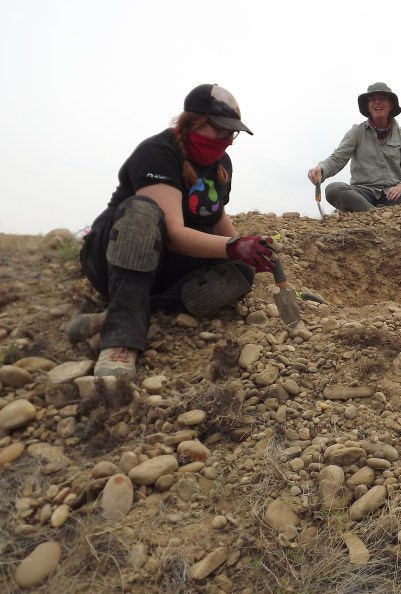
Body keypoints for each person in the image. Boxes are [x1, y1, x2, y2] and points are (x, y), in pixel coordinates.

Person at [72, 84, 277, 381]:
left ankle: (128, 310)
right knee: (142, 212)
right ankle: (120, 339)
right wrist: (234, 246)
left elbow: (215, 216)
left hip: (162, 271)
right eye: (220, 130)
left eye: (231, 134)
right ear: (192, 122)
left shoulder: (222, 164)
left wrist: (246, 250)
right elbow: (173, 234)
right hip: (113, 259)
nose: (227, 141)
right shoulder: (157, 153)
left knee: (239, 272)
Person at [307, 82, 401, 212]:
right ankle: (376, 214)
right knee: (333, 189)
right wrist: (321, 169)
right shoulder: (356, 132)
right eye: (373, 99)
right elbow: (337, 159)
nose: (377, 102)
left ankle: (369, 212)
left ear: (391, 105)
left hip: (393, 195)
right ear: (368, 106)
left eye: (382, 98)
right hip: (362, 194)